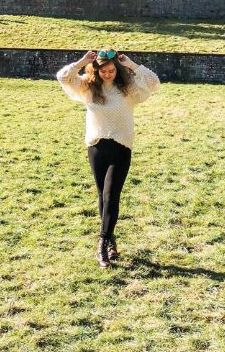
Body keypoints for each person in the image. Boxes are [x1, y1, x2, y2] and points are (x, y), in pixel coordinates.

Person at [57, 48, 160, 269]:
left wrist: (131, 64)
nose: (108, 74)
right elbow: (63, 77)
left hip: (121, 146)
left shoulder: (128, 89)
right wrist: (82, 61)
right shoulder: (87, 88)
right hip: (96, 147)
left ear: (117, 69)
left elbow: (153, 82)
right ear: (96, 70)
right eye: (103, 71)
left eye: (112, 70)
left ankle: (102, 244)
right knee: (102, 196)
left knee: (111, 194)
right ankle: (111, 241)